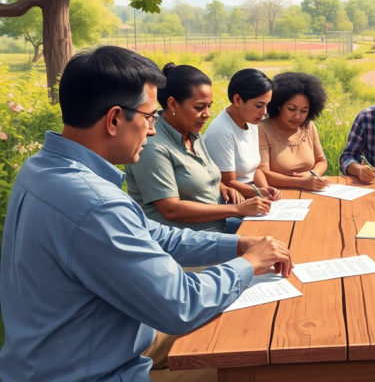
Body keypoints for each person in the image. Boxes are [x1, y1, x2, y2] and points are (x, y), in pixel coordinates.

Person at [0, 46, 292, 382]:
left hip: (57, 354)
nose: (152, 131)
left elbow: (154, 235)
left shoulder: (41, 168)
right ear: (113, 119)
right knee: (252, 357)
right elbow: (181, 305)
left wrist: (238, 245)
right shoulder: (96, 203)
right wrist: (249, 265)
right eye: (149, 117)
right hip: (99, 369)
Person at [126, 63, 272, 234]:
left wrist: (224, 189)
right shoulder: (152, 145)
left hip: (214, 227)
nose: (207, 114)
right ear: (172, 104)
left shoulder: (192, 134)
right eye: (199, 107)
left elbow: (209, 177)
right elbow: (171, 209)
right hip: (181, 240)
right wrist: (239, 209)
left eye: (209, 106)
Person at [203, 68, 282, 201]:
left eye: (267, 105)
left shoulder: (250, 122)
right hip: (232, 202)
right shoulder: (221, 132)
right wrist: (260, 193)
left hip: (252, 195)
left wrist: (268, 190)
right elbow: (228, 184)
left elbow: (255, 170)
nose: (264, 112)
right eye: (259, 106)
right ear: (238, 100)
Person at [258, 72, 329, 191]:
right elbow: (263, 174)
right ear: (279, 106)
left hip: (311, 192)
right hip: (277, 195)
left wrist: (312, 174)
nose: (297, 116)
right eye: (291, 109)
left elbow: (321, 161)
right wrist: (301, 182)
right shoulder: (262, 130)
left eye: (304, 111)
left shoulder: (309, 126)